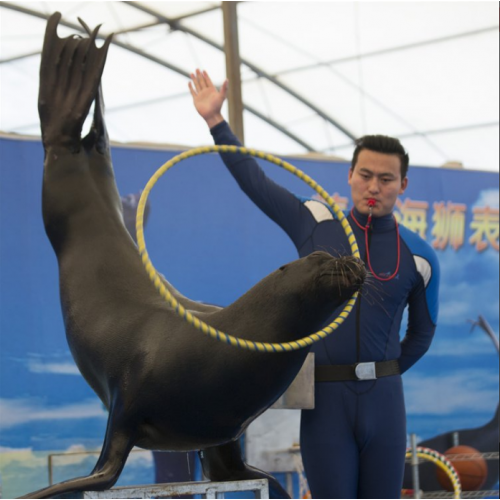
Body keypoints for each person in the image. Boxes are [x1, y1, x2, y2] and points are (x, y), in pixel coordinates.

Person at [188, 69, 440, 499]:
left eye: (386, 178)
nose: (373, 187)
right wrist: (216, 121)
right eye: (365, 175)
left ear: (403, 185)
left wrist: (384, 370)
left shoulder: (419, 255)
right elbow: (255, 180)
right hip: (326, 400)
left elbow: (422, 333)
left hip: (385, 401)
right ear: (350, 175)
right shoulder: (317, 223)